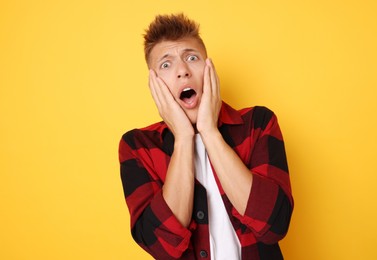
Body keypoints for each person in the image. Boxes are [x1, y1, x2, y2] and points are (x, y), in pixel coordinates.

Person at [119, 13, 293, 260]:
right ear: (154, 83)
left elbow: (274, 224)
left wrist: (210, 132)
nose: (182, 71)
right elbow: (161, 247)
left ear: (209, 69)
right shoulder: (138, 146)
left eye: (192, 58)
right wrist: (183, 138)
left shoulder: (258, 123)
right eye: (166, 65)